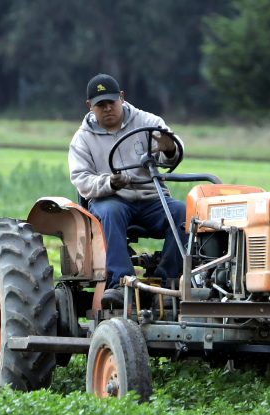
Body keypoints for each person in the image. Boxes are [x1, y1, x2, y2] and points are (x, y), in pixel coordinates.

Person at [68, 73, 186, 309]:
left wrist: (169, 148)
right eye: (100, 105)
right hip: (112, 199)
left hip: (151, 198)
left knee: (183, 212)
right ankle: (121, 282)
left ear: (121, 97)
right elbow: (81, 180)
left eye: (111, 102)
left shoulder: (147, 122)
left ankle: (169, 281)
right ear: (89, 106)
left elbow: (171, 152)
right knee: (110, 212)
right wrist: (110, 183)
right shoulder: (82, 139)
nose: (108, 108)